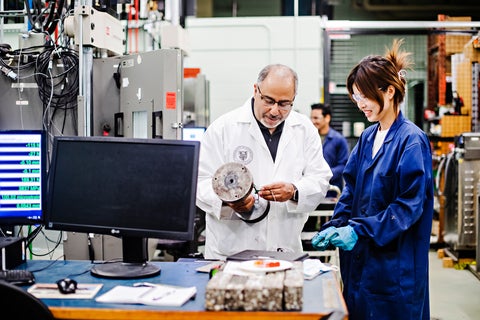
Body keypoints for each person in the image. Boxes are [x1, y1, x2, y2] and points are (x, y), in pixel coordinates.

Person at [311, 39, 433, 319]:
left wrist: (359, 231)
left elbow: (408, 206)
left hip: (395, 267)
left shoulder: (412, 141)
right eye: (355, 96)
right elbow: (351, 188)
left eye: (363, 95)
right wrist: (337, 225)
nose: (359, 103)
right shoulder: (368, 137)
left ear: (389, 91)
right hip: (362, 262)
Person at [196, 64, 332, 260]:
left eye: (284, 103)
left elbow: (319, 178)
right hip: (232, 251)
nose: (275, 111)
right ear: (255, 90)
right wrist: (229, 201)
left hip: (284, 250)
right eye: (268, 100)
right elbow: (201, 182)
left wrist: (294, 191)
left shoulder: (304, 129)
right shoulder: (223, 128)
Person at [310, 103, 349, 197]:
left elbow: (344, 166)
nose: (312, 121)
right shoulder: (309, 139)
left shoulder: (339, 140)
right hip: (311, 191)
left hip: (331, 192)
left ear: (327, 118)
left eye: (316, 118)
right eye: (311, 118)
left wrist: (325, 175)